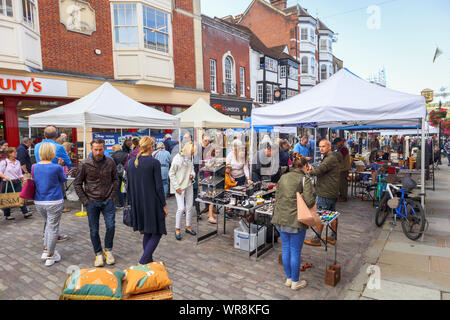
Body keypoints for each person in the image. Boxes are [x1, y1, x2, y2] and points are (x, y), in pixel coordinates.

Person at [74, 139, 119, 267]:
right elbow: (77, 184)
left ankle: (108, 250)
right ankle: (98, 253)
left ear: (104, 148)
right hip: (91, 201)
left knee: (111, 226)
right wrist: (85, 201)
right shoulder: (85, 164)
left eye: (100, 149)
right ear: (91, 149)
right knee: (94, 230)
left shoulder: (110, 162)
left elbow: (116, 179)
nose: (98, 152)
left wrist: (112, 195)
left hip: (107, 200)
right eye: (95, 149)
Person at [271, 153, 312, 290]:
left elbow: (277, 196)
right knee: (295, 251)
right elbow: (310, 202)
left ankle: (289, 279)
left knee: (286, 249)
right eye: (308, 166)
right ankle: (295, 282)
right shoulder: (304, 179)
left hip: (281, 218)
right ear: (305, 166)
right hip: (296, 220)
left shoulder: (283, 177)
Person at [126, 136, 168, 264]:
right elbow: (159, 187)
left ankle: (148, 261)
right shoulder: (153, 162)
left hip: (137, 202)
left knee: (148, 232)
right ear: (150, 147)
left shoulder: (131, 162)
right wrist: (164, 205)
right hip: (152, 202)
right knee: (157, 232)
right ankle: (143, 261)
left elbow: (128, 186)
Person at [33, 143, 67, 266]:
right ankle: (50, 255)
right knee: (53, 228)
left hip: (39, 200)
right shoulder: (56, 167)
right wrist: (61, 166)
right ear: (51, 153)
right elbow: (63, 179)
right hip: (54, 200)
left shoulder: (34, 167)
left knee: (48, 225)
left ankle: (46, 250)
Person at [304, 139, 340, 246]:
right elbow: (322, 169)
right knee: (332, 214)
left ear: (329, 147)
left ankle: (316, 238)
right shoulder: (329, 157)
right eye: (320, 147)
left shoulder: (330, 158)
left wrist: (308, 170)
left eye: (323, 146)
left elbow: (318, 171)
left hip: (325, 192)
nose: (321, 149)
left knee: (320, 215)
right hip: (331, 191)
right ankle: (333, 237)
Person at [169, 141, 197, 240]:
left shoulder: (189, 158)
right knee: (181, 208)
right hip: (180, 186)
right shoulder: (177, 158)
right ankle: (177, 229)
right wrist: (177, 187)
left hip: (189, 184)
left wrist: (192, 174)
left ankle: (188, 227)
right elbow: (171, 174)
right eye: (192, 152)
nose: (193, 154)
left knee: (189, 207)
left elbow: (192, 169)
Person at [0, 147, 32, 220]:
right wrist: (5, 177)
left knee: (21, 196)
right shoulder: (4, 162)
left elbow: (20, 173)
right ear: (9, 154)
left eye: (16, 152)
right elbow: (0, 172)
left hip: (17, 182)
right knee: (7, 198)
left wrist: (23, 180)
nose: (16, 153)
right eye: (14, 152)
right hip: (7, 183)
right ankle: (7, 215)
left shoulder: (18, 162)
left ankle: (25, 212)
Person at [111, 144, 129, 208]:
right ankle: (128, 203)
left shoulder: (113, 156)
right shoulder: (126, 154)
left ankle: (121, 203)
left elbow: (112, 165)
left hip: (117, 173)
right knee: (127, 187)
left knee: (118, 188)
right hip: (125, 172)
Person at [333, 138, 351, 202]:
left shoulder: (344, 149)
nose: (336, 145)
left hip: (344, 169)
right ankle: (341, 195)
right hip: (341, 168)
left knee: (343, 184)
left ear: (340, 142)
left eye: (337, 144)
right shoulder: (341, 148)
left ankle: (344, 197)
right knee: (340, 184)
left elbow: (339, 157)